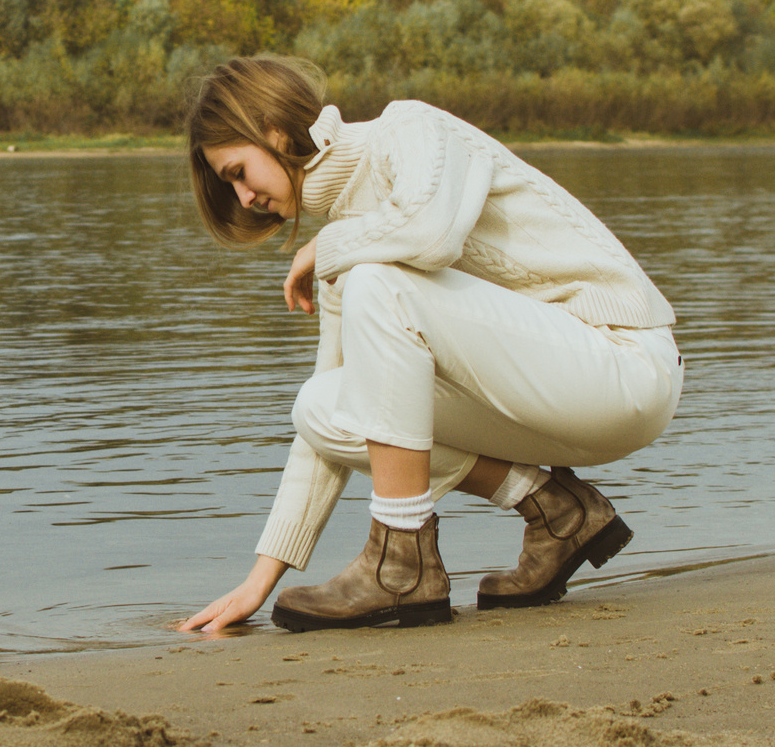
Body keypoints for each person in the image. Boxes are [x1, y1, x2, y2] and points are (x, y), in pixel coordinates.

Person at [176, 56, 682, 634]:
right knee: (320, 407)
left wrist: (335, 246)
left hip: (623, 367)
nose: (242, 198)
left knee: (376, 279)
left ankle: (401, 562)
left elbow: (432, 235)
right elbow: (334, 431)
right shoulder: (349, 238)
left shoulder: (409, 131)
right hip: (545, 400)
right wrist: (260, 579)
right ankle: (555, 509)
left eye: (238, 171)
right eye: (230, 185)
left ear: (273, 129)